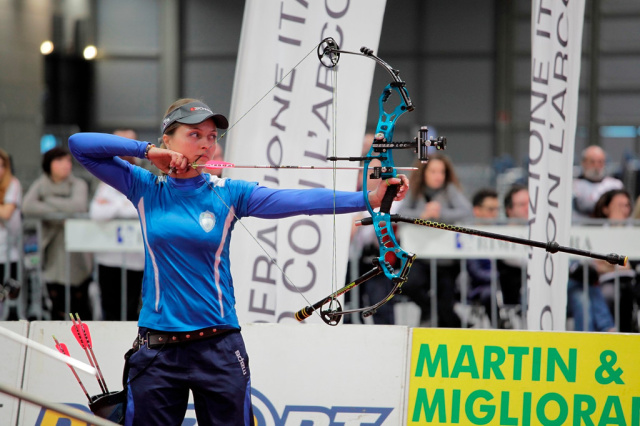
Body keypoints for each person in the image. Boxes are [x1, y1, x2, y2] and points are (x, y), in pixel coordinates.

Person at [68, 98, 409, 425]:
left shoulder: (229, 193)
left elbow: (299, 200)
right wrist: (145, 152)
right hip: (158, 348)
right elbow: (79, 145)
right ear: (167, 140)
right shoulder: (145, 187)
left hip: (218, 347)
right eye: (194, 135)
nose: (206, 144)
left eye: (212, 137)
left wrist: (369, 197)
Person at [397, 153, 472, 327]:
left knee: (446, 300)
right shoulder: (415, 190)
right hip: (420, 255)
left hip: (446, 259)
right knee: (409, 284)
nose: (438, 176)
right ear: (424, 172)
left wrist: (441, 214)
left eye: (442, 172)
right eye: (433, 171)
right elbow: (400, 214)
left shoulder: (450, 190)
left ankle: (452, 328)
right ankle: (434, 312)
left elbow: (467, 212)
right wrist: (422, 215)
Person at [22, 147, 92, 320]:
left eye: (68, 161)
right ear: (49, 164)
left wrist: (47, 205)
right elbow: (27, 206)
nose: (65, 165)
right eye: (60, 161)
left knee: (79, 305)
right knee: (56, 303)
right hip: (51, 249)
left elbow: (78, 207)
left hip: (77, 253)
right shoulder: (40, 184)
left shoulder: (78, 184)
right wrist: (60, 215)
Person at [89, 129, 145, 321]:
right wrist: (124, 204)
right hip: (109, 256)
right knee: (109, 309)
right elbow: (97, 213)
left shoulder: (143, 176)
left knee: (131, 310)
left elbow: (141, 210)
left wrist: (115, 205)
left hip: (136, 257)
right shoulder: (106, 180)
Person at [465, 188, 500, 320]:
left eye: (497, 209)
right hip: (478, 287)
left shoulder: (503, 232)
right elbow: (474, 270)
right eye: (490, 209)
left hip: (504, 286)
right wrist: (497, 276)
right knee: (489, 293)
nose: (495, 214)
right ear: (477, 210)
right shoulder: (468, 236)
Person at [496, 184, 528, 307]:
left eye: (530, 203)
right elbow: (515, 260)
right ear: (509, 210)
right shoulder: (503, 233)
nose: (528, 208)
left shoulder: (541, 231)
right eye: (522, 204)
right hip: (513, 291)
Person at [572, 145, 624, 220]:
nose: (596, 166)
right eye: (592, 162)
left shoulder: (616, 186)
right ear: (584, 163)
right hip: (581, 227)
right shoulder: (574, 186)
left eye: (600, 162)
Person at [0, 149, 22, 317]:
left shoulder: (13, 184)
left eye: (2, 166)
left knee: (6, 301)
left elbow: (6, 213)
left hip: (7, 255)